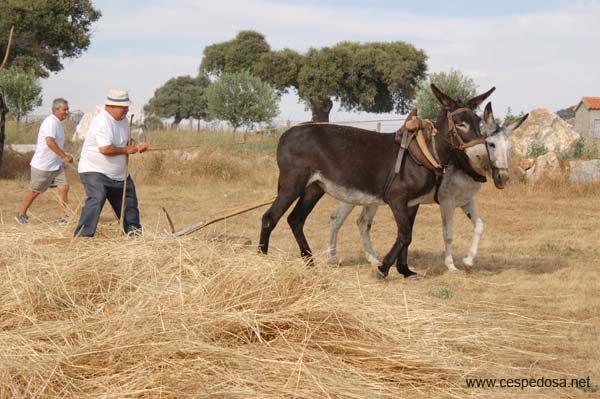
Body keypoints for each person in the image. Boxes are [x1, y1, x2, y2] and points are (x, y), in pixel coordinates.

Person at [74, 89, 148, 237]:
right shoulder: (103, 121)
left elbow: (125, 141)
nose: (126, 110)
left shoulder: (124, 120)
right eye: (123, 107)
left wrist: (136, 145)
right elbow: (106, 149)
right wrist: (127, 150)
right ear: (111, 106)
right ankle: (83, 237)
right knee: (97, 198)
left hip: (119, 175)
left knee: (129, 204)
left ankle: (135, 236)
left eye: (127, 107)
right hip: (95, 171)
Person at [16, 98, 73, 225]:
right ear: (56, 109)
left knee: (64, 187)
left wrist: (63, 156)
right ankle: (21, 214)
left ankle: (62, 217)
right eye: (65, 109)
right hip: (43, 166)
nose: (67, 112)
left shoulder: (58, 123)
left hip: (55, 165)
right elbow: (49, 142)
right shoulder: (51, 122)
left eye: (68, 109)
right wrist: (64, 156)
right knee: (35, 190)